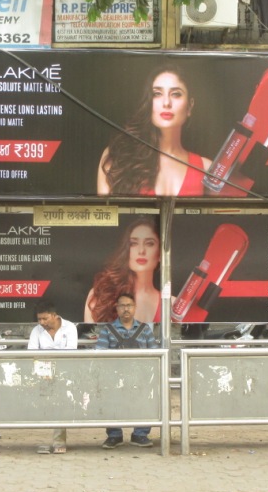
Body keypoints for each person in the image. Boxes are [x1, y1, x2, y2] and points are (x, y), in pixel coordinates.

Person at [97, 66, 211, 196]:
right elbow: (107, 214)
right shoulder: (117, 157)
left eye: (176, 94)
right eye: (157, 94)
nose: (166, 103)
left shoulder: (207, 169)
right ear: (148, 102)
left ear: (190, 106)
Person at [94, 292, 160, 448]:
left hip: (141, 377)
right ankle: (114, 435)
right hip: (115, 377)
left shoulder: (144, 329)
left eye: (129, 305)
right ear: (116, 308)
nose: (126, 309)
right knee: (112, 403)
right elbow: (100, 353)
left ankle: (140, 434)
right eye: (122, 305)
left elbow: (155, 353)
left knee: (144, 402)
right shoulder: (107, 330)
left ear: (135, 307)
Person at [84, 217, 162, 325]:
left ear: (160, 254)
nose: (141, 251)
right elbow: (92, 339)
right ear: (126, 250)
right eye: (133, 243)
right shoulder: (100, 295)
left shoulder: (172, 304)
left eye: (149, 243)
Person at [27, 299, 78, 454]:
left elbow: (71, 353)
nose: (41, 322)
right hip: (42, 375)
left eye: (45, 318)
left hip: (65, 374)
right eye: (39, 319)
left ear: (54, 316)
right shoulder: (36, 331)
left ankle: (59, 441)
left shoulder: (70, 328)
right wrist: (45, 372)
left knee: (59, 404)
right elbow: (32, 353)